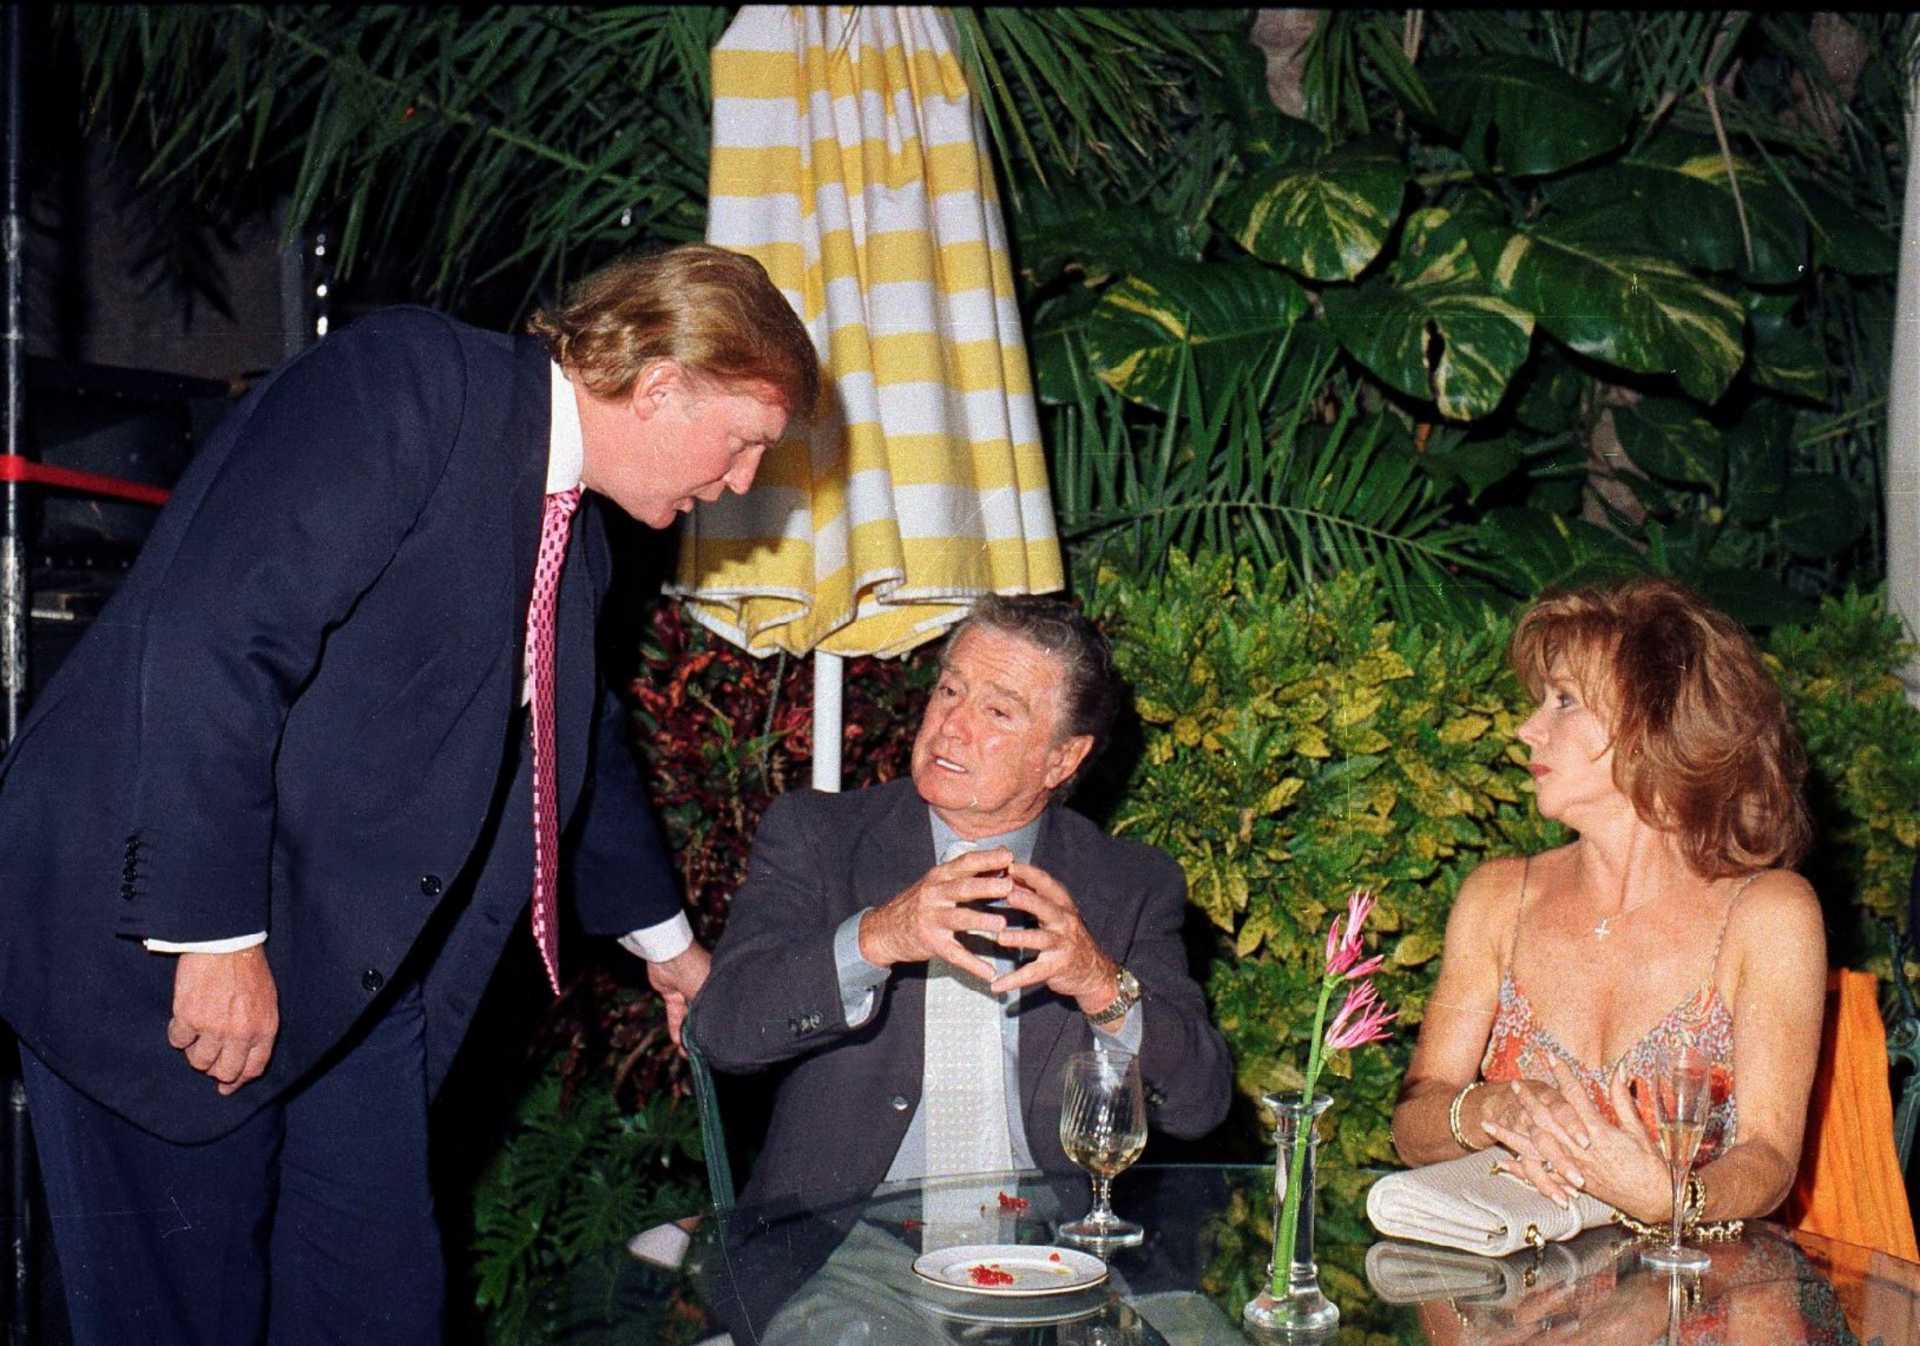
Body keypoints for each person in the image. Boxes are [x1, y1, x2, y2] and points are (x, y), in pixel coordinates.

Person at [0, 243, 818, 1344]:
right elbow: (214, 636)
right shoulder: (406, 385)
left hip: (356, 967)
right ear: (662, 382)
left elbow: (581, 737)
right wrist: (213, 937)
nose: (740, 484)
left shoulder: (574, 535)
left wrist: (669, 946)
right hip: (162, 945)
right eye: (744, 442)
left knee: (373, 1303)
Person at [690, 594, 1233, 1211]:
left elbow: (1199, 1103)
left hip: (1052, 1253)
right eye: (949, 691)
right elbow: (722, 1031)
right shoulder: (820, 837)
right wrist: (876, 938)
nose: (952, 726)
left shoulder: (1128, 883)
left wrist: (1102, 985)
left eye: (998, 711)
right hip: (843, 1251)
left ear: (1062, 757)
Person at [1390, 575, 1826, 1231]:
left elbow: (1767, 1159)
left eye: (1563, 701)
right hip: (1520, 1296)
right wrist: (1490, 1109)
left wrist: (1678, 1201)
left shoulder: (1767, 915)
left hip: (1695, 1297)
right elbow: (1414, 1124)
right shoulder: (1497, 898)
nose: (1526, 729)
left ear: (1658, 724)